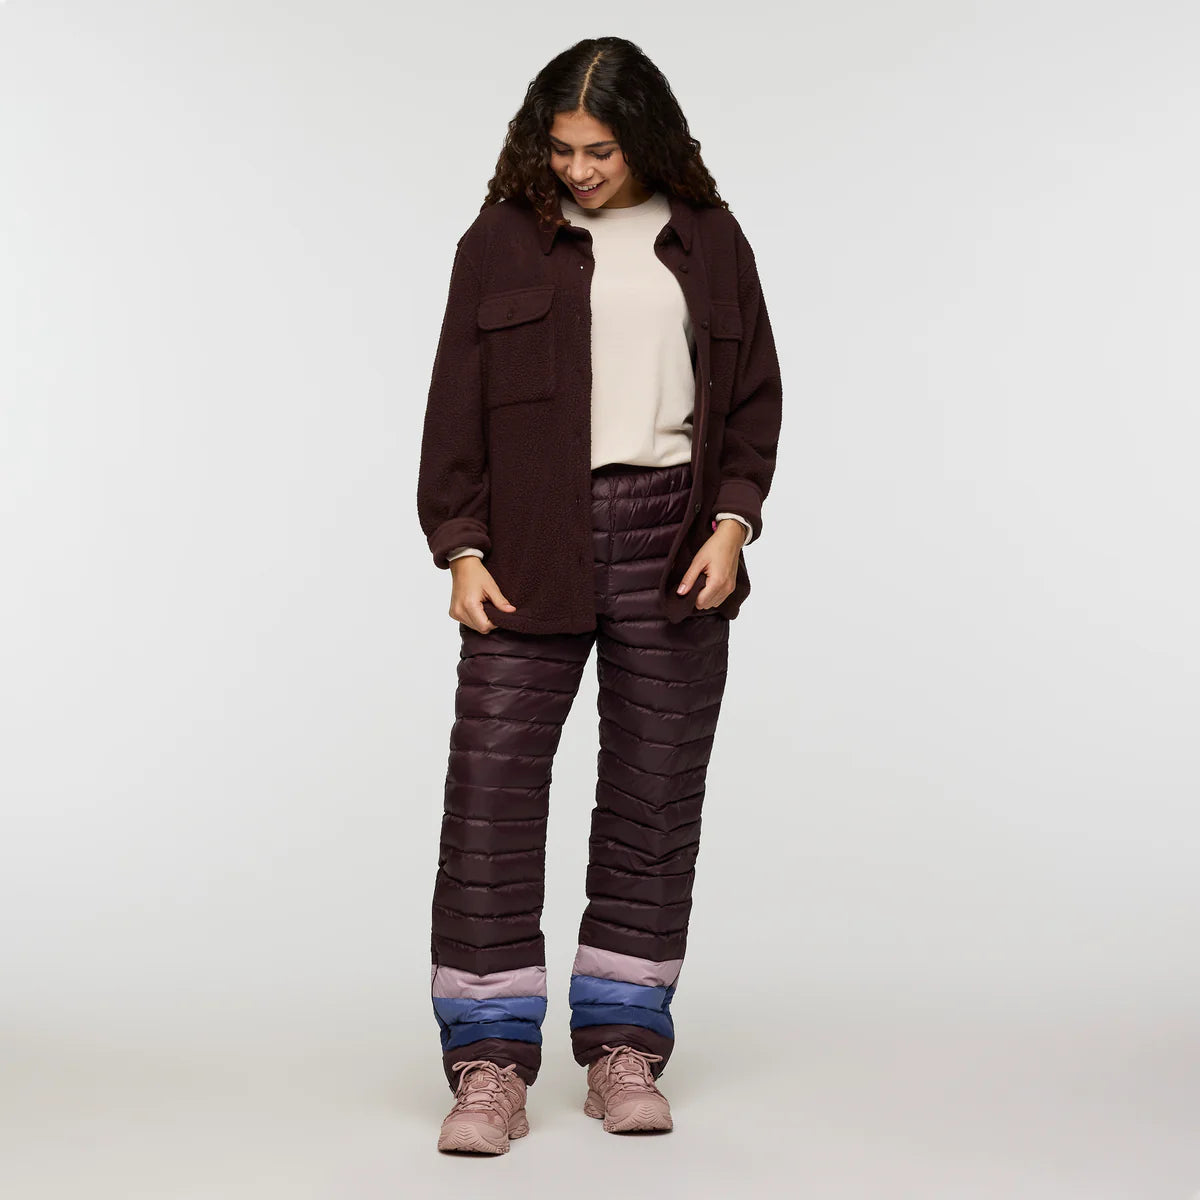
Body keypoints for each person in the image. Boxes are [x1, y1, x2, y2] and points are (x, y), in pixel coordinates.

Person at [417, 35, 784, 1155]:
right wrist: (461, 546)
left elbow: (754, 400)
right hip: (529, 544)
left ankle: (624, 1045)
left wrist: (732, 524)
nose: (577, 169)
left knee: (652, 801)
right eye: (561, 148)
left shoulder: (709, 240)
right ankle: (487, 1063)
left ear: (647, 140)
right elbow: (454, 402)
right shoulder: (500, 239)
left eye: (601, 150)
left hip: (675, 542)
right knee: (490, 802)